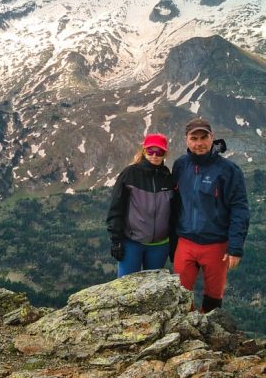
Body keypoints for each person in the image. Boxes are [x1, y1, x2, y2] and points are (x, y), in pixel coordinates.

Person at [171, 116, 250, 313]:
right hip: (186, 242)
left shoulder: (229, 170)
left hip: (216, 244)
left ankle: (210, 338)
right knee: (181, 295)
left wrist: (235, 247)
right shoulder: (180, 165)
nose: (199, 143)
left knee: (213, 299)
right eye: (194, 138)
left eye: (203, 137)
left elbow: (239, 208)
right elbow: (174, 203)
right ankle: (185, 337)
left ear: (212, 137)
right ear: (186, 140)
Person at [106, 133, 179, 278]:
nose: (154, 155)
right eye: (150, 151)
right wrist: (116, 241)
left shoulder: (168, 178)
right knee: (126, 290)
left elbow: (174, 215)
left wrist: (174, 245)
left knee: (152, 292)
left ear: (165, 154)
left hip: (160, 246)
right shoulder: (129, 174)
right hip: (132, 244)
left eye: (159, 152)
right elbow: (116, 208)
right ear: (144, 151)